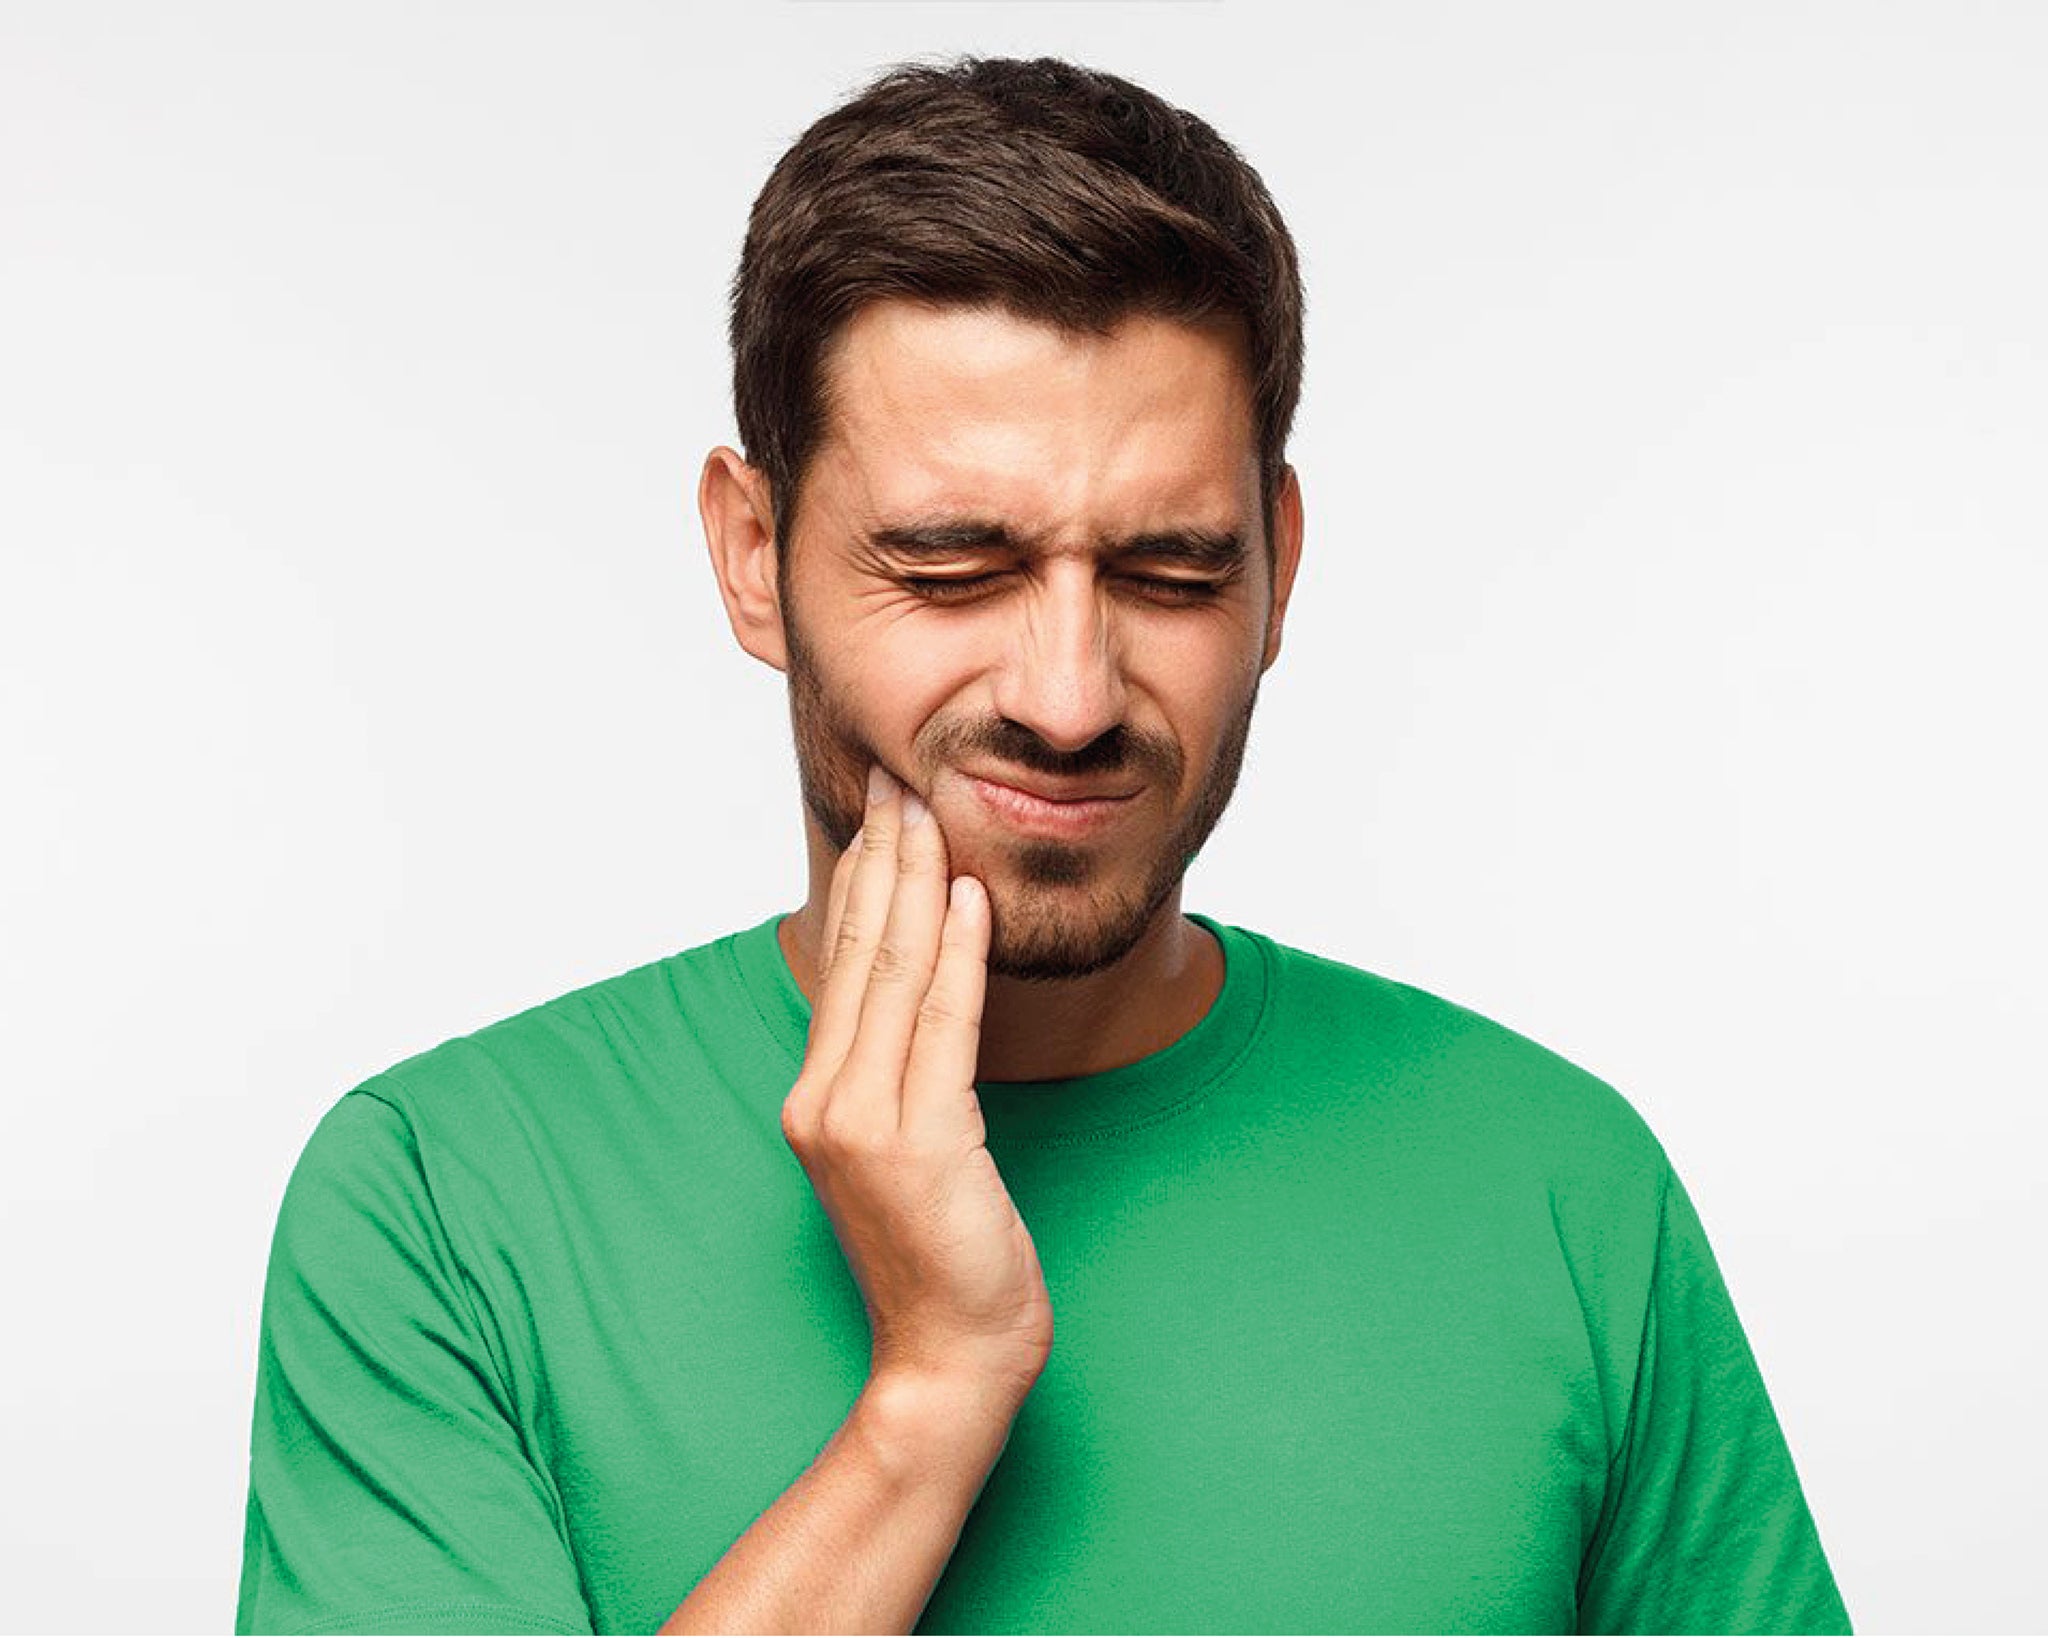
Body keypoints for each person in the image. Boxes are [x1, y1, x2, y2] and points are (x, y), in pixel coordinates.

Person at [236, 55, 1851, 1635]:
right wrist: (930, 1397)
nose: (1069, 698)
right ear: (751, 554)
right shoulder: (443, 1204)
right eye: (950, 569)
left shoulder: (1564, 1189)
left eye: (1168, 571)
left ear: (1278, 566)